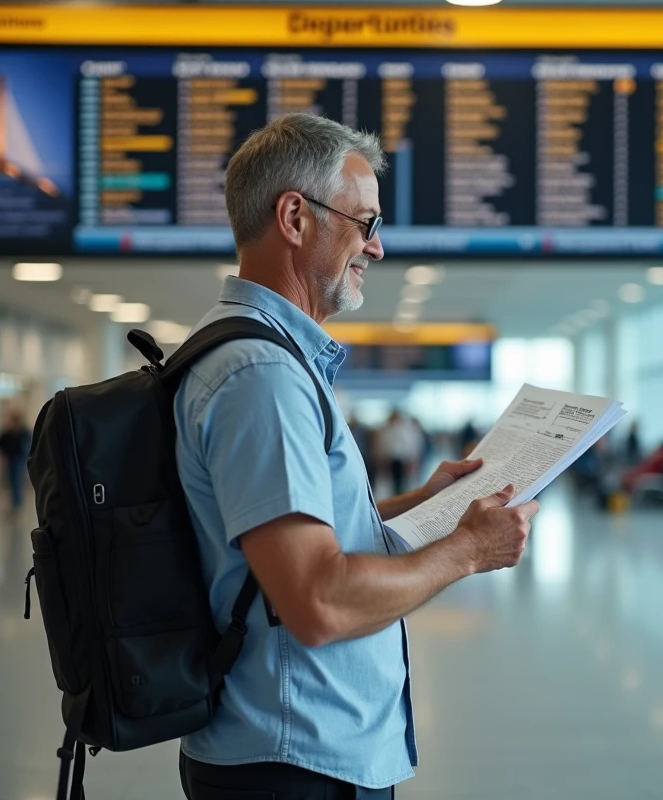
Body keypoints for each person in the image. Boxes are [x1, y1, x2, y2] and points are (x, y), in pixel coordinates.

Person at [172, 113, 539, 799]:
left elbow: (287, 528)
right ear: (294, 217)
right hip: (295, 761)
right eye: (365, 222)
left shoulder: (259, 356)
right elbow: (319, 601)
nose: (377, 246)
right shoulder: (262, 375)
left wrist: (424, 502)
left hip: (296, 748)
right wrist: (468, 551)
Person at [378, 410, 424, 496]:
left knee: (406, 482)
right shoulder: (386, 430)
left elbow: (410, 445)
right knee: (393, 483)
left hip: (403, 459)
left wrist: (412, 459)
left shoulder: (405, 430)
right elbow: (383, 446)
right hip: (391, 459)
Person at [0, 409, 32, 510]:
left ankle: (17, 501)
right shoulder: (7, 433)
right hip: (11, 459)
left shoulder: (24, 432)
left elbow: (29, 444)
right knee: (13, 480)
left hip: (20, 458)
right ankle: (16, 500)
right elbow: (1, 445)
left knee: (17, 479)